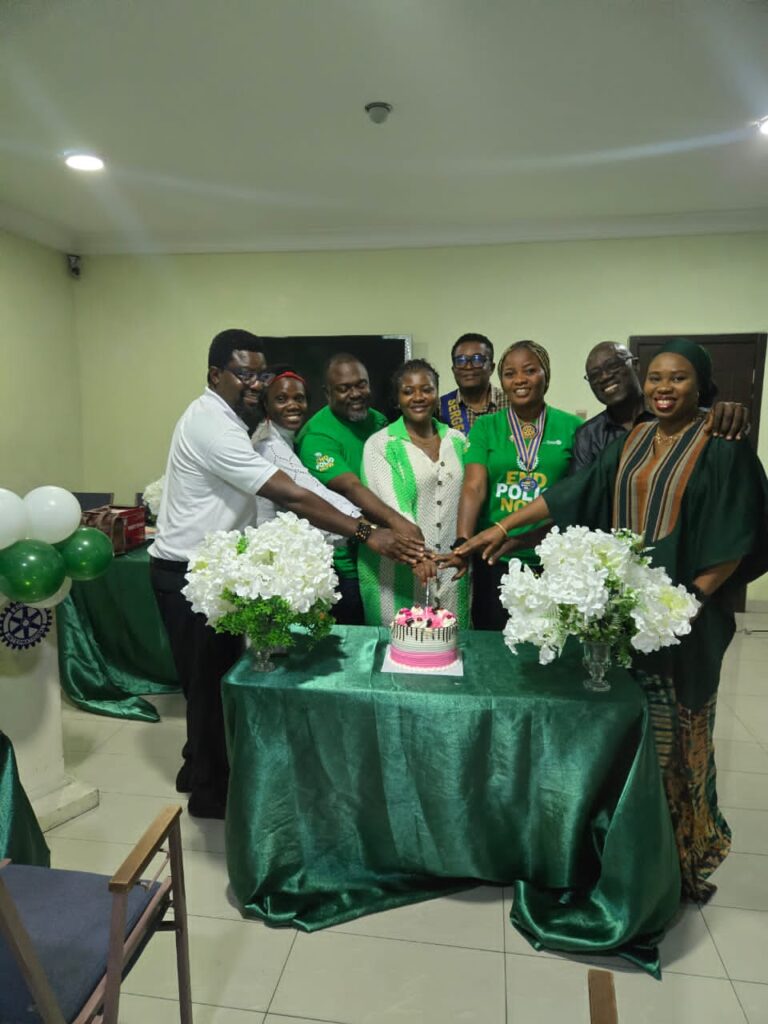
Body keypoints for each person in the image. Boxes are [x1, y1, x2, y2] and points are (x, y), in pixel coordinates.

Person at [446, 338, 768, 901]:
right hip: (622, 616)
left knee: (677, 737)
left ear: (701, 384)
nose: (664, 388)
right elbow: (575, 493)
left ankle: (679, 863)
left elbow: (736, 535)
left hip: (684, 621)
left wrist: (684, 603)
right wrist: (500, 530)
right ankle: (620, 853)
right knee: (624, 733)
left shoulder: (724, 444)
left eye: (679, 378)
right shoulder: (634, 439)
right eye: (658, 377)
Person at [150, 330, 422, 819]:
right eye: (244, 374)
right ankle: (213, 798)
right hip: (188, 572)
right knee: (209, 688)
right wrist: (368, 532)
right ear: (215, 374)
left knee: (208, 685)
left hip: (212, 570)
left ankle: (197, 768)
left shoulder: (232, 420)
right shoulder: (213, 425)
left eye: (261, 374)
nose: (255, 384)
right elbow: (292, 494)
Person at [453, 340, 582, 630]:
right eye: (510, 374)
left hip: (553, 559)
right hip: (495, 559)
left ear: (546, 375)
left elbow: (574, 497)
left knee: (551, 639)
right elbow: (473, 486)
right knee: (493, 643)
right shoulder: (486, 427)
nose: (520, 379)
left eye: (530, 370)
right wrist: (463, 542)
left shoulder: (573, 427)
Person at [296, 354, 425, 625]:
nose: (355, 394)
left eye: (361, 384)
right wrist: (397, 521)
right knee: (356, 636)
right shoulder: (317, 436)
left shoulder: (378, 421)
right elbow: (351, 487)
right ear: (327, 393)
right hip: (345, 564)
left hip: (385, 553)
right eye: (344, 388)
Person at [358, 359, 470, 626]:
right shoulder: (381, 445)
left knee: (449, 643)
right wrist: (417, 556)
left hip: (452, 572)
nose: (418, 397)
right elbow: (392, 504)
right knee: (399, 643)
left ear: (437, 394)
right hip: (395, 574)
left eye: (426, 389)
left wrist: (466, 547)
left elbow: (471, 496)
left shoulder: (458, 441)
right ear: (397, 400)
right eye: (408, 391)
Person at [571, 341, 749, 473]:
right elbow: (582, 491)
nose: (604, 377)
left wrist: (729, 416)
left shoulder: (685, 419)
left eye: (613, 366)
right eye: (594, 375)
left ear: (636, 365)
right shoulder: (588, 435)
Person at [249, 367, 361, 534]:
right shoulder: (270, 447)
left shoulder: (287, 439)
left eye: (299, 398)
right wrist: (367, 529)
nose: (293, 405)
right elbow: (314, 494)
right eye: (281, 399)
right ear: (266, 404)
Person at [438, 333, 508, 435]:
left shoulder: (510, 403)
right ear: (453, 370)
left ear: (491, 368)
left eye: (477, 359)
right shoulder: (440, 408)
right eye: (461, 360)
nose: (468, 367)